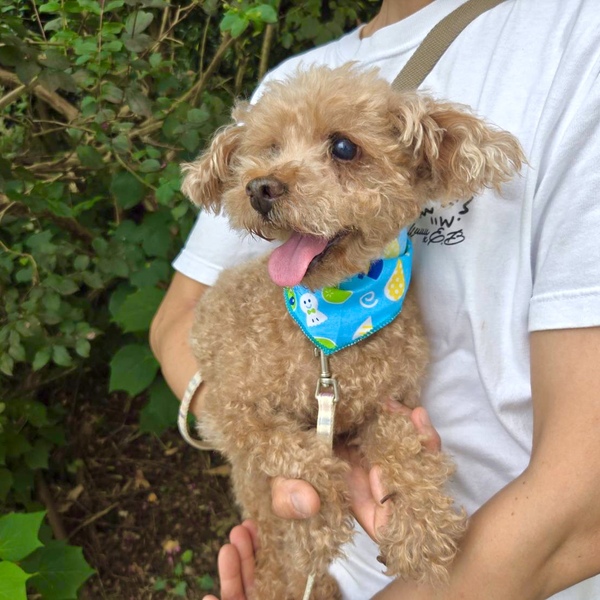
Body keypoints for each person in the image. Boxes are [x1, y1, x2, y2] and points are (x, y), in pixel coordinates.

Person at [150, 0, 600, 597]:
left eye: (342, 151)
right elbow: (176, 321)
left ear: (427, 158)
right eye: (269, 151)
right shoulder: (287, 80)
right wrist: (267, 443)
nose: (273, 180)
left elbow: (583, 496)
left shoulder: (577, 37)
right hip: (309, 567)